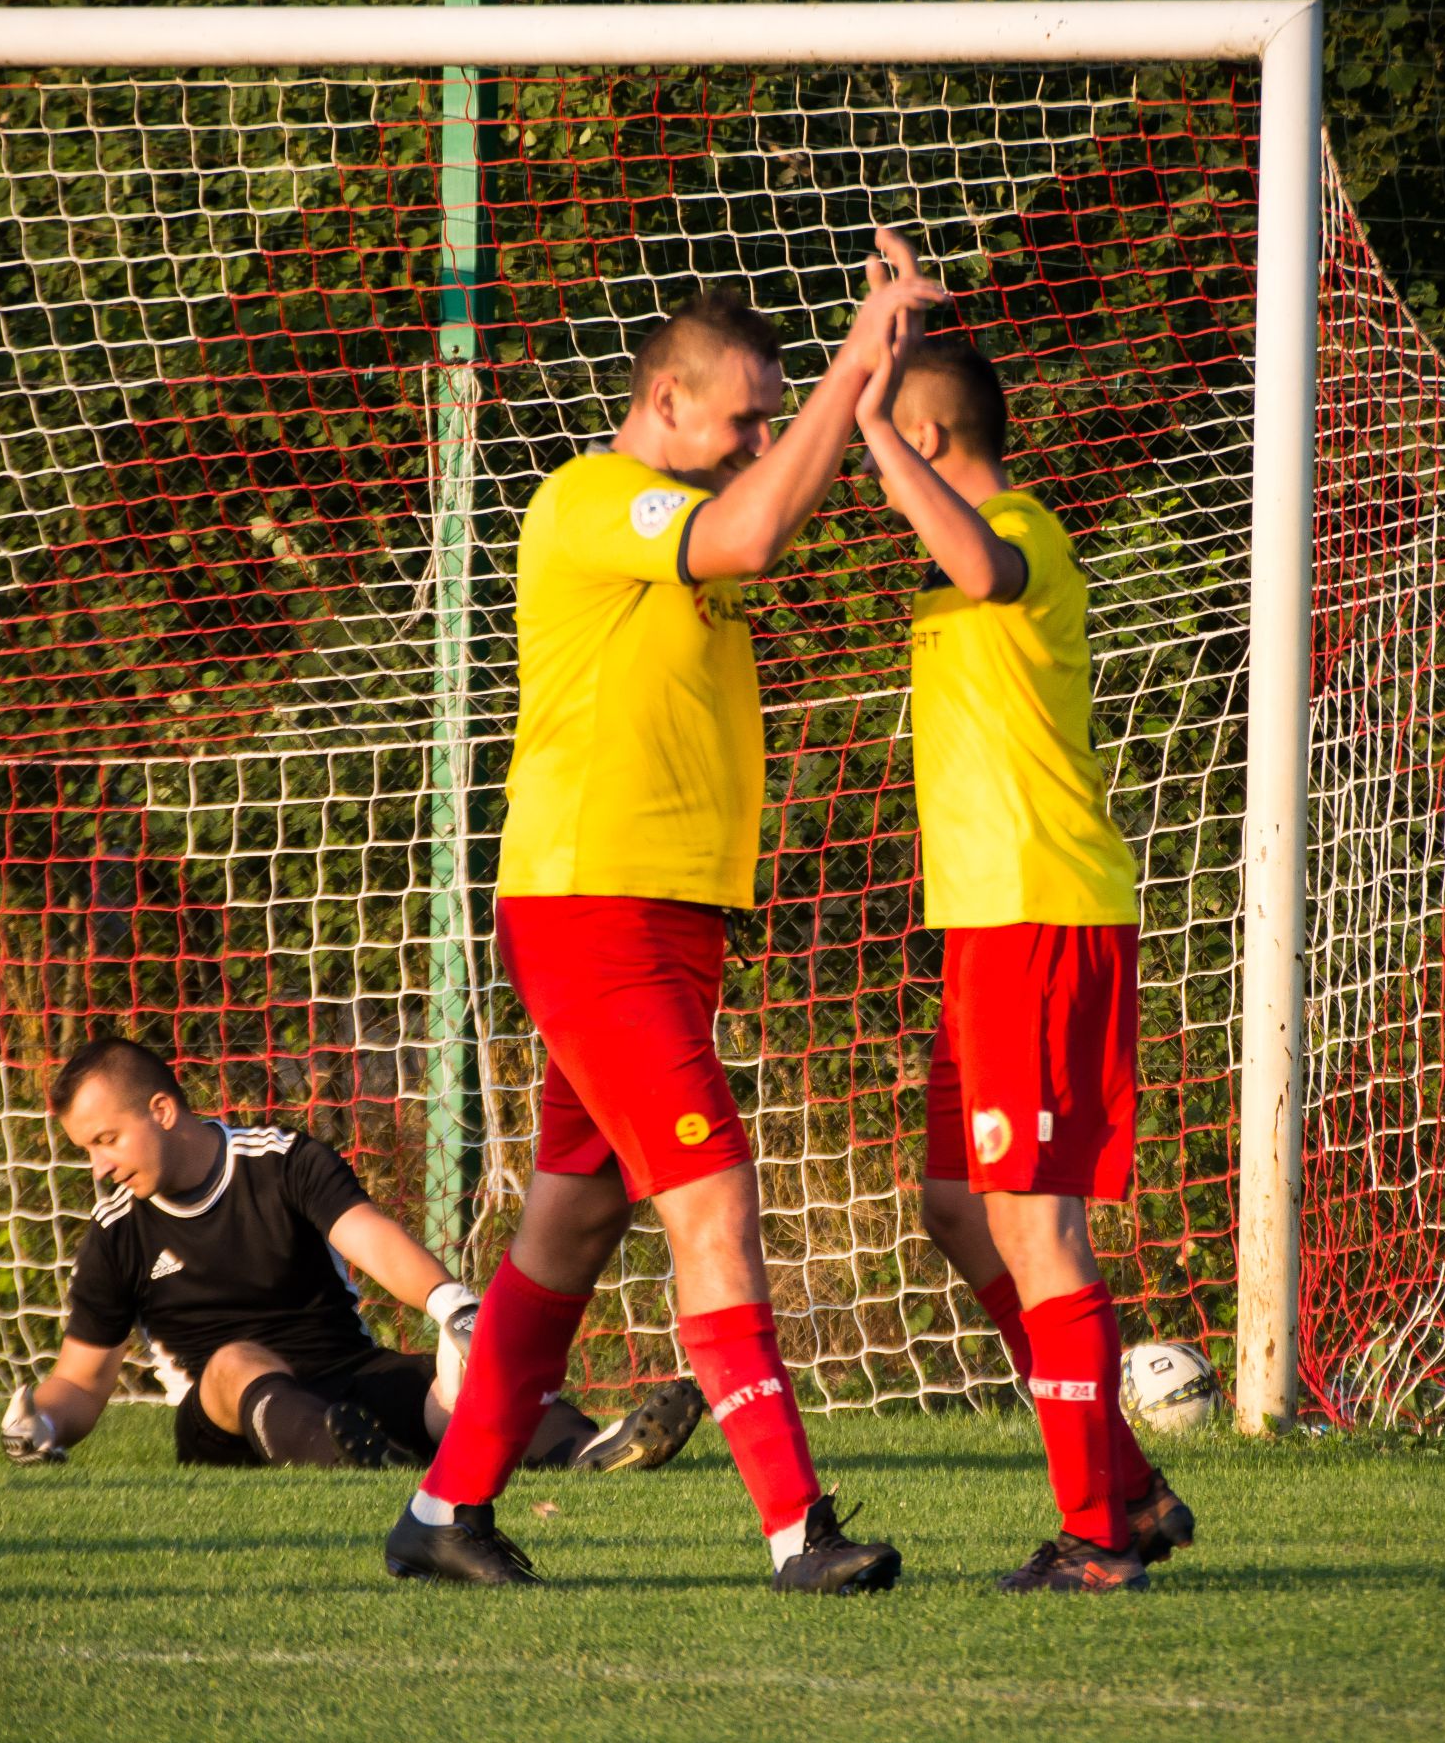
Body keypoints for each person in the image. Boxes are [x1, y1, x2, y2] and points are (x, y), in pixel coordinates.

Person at [382, 235, 949, 1593]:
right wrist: (863, 354)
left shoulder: (683, 520)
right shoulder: (594, 494)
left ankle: (444, 1512)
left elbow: (757, 524)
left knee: (570, 1227)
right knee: (714, 1201)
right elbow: (754, 524)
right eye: (744, 414)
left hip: (661, 926)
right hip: (591, 914)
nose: (758, 438)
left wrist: (852, 386)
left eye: (769, 418)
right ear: (667, 402)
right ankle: (799, 1532)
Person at [855, 326, 1196, 1592]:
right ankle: (1129, 1485)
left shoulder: (1026, 537)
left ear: (930, 441)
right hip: (989, 936)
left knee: (1039, 1228)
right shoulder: (953, 569)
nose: (871, 470)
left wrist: (872, 421)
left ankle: (1098, 1539)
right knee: (958, 1210)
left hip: (1039, 923)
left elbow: (984, 562)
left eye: (891, 442)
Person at [1, 1035, 704, 1476]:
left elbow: (364, 1232)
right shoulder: (117, 1232)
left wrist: (450, 1304)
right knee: (235, 1361)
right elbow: (84, 1379)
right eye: (87, 1150)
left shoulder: (281, 1162)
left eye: (104, 1141)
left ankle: (590, 1451)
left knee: (449, 1392)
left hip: (346, 1380)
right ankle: (354, 1460)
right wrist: (43, 1420)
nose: (97, 1166)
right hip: (224, 1422)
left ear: (160, 1111)